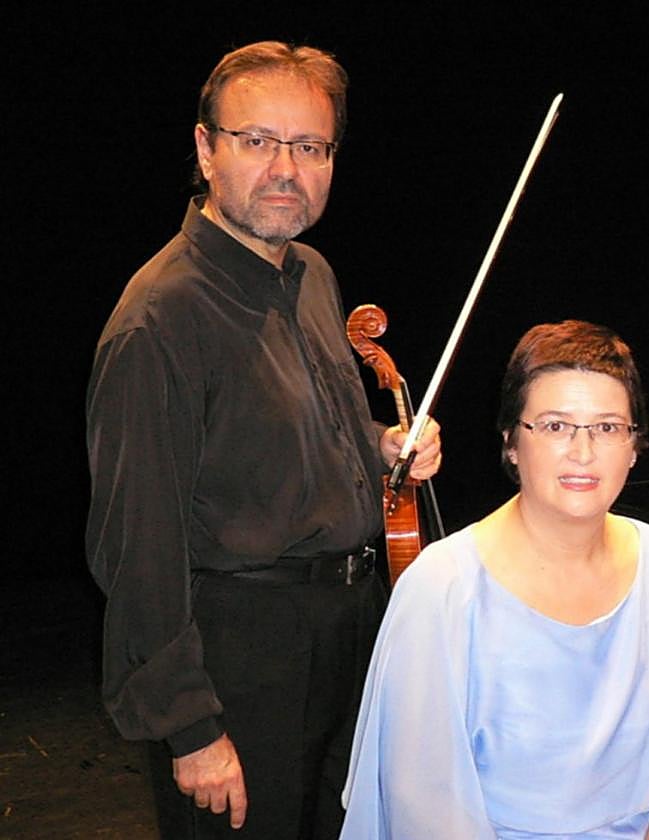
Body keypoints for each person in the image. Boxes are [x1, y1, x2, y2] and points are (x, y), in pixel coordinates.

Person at [85, 41, 442, 839]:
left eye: (310, 147)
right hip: (243, 659)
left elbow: (315, 432)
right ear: (207, 148)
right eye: (258, 141)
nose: (287, 168)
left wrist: (383, 448)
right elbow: (135, 549)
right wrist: (193, 729)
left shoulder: (311, 272)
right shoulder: (157, 320)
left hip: (349, 634)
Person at [340, 320, 649, 838]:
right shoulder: (442, 588)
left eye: (608, 427)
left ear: (635, 446)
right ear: (510, 441)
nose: (583, 452)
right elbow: (427, 811)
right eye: (555, 426)